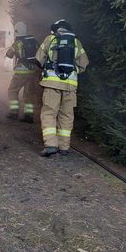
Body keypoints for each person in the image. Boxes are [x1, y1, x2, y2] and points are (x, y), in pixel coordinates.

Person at [35, 19, 89, 157]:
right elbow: (84, 64)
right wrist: (71, 71)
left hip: (52, 84)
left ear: (56, 29)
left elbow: (38, 59)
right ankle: (64, 147)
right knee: (66, 115)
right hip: (70, 86)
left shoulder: (50, 39)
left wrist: (49, 67)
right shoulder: (76, 42)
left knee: (49, 113)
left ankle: (51, 144)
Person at [5, 22, 38, 123]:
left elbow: (9, 55)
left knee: (12, 90)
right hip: (32, 71)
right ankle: (29, 116)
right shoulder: (34, 41)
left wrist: (11, 48)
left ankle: (13, 113)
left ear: (17, 31)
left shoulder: (18, 43)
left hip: (21, 71)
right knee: (29, 94)